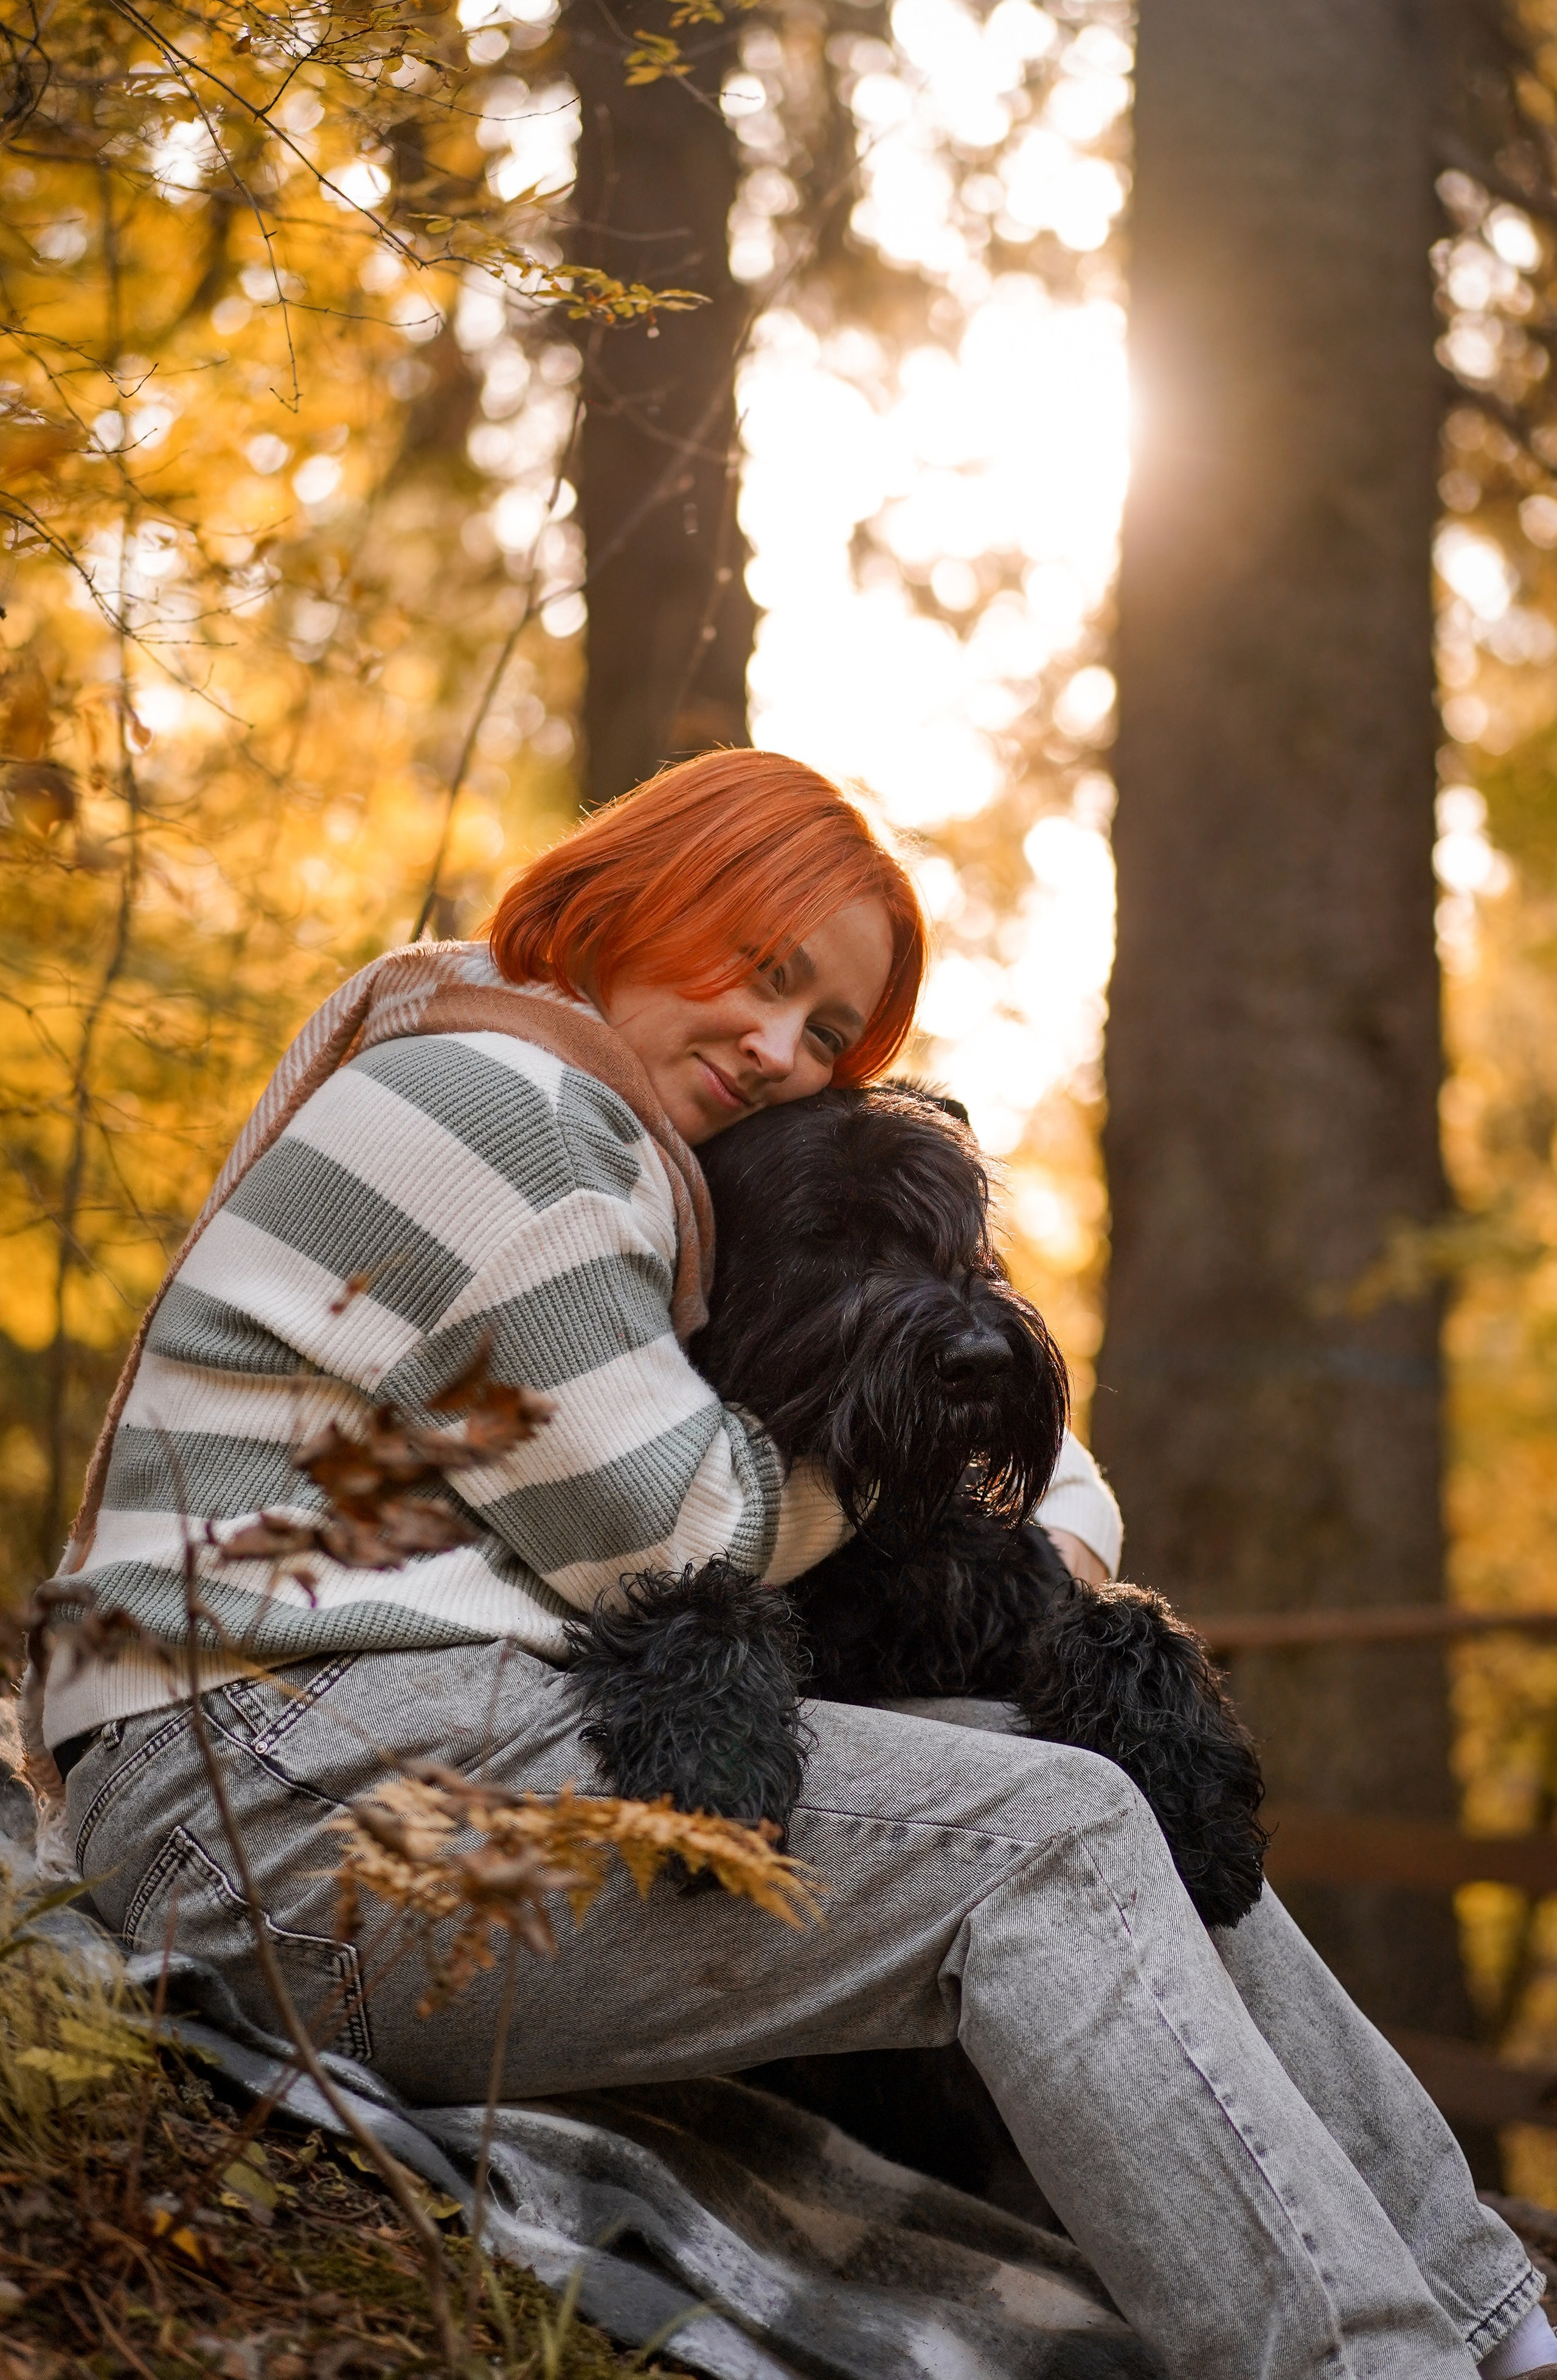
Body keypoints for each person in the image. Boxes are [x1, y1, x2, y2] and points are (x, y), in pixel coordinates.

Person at [24, 749, 1553, 2380]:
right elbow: (689, 1535)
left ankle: (1496, 2320)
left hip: (367, 1765)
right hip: (265, 1804)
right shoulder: (505, 1110)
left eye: (828, 1032)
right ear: (638, 894)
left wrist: (991, 1457)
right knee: (1049, 1836)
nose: (779, 1051)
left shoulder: (581, 1120)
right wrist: (938, 1430)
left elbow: (914, 1440)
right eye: (761, 971)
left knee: (1086, 1786)